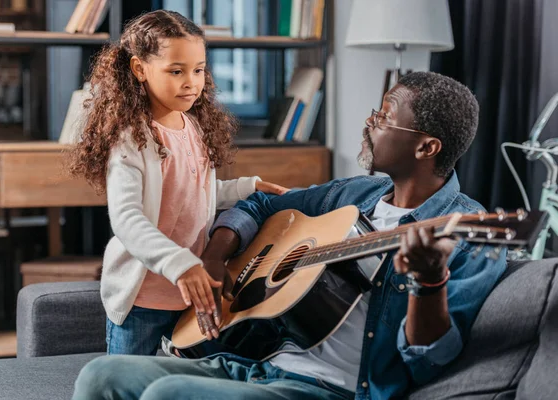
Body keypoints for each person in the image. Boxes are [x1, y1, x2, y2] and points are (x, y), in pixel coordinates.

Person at [72, 72, 507, 400]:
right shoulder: (355, 194)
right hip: (254, 361)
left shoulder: (467, 232)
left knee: (168, 396)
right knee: (101, 375)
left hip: (327, 388)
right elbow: (259, 205)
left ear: (426, 147)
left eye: (383, 118)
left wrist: (428, 282)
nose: (369, 124)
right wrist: (218, 254)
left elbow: (433, 360)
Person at [67, 10, 287, 356]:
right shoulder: (132, 139)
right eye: (176, 71)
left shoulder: (193, 128)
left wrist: (246, 188)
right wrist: (182, 265)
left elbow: (190, 194)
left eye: (198, 70)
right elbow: (127, 220)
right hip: (143, 299)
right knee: (126, 387)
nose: (191, 82)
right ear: (140, 69)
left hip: (191, 295)